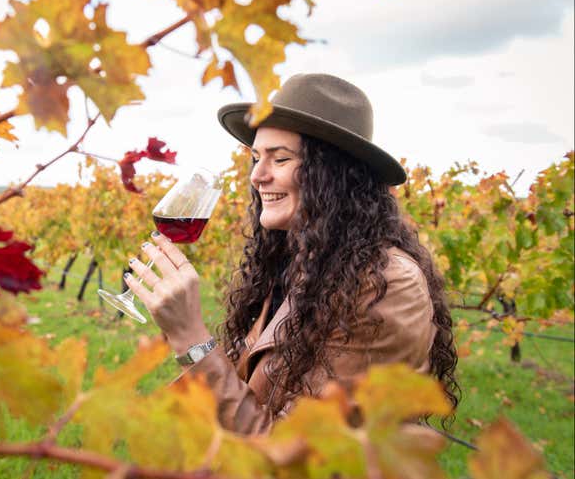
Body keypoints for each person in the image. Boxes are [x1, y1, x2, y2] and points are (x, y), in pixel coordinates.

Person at [124, 73, 459, 435]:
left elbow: (293, 457)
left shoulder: (387, 286)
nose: (257, 176)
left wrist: (191, 336)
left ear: (331, 175)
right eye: (256, 158)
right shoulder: (304, 262)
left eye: (279, 159)